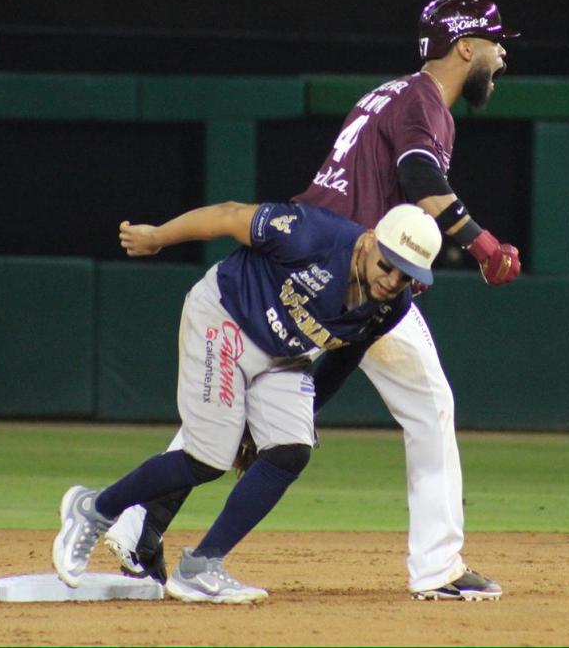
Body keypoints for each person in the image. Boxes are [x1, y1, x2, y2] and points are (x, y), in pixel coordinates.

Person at [104, 0, 522, 602]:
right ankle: (437, 567)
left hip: (308, 261)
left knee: (234, 406)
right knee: (428, 402)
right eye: (494, 41)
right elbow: (423, 182)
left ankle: (136, 521)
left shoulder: (391, 93)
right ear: (464, 47)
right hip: (351, 270)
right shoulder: (424, 102)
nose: (502, 53)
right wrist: (484, 247)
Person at [52, 200, 442, 604]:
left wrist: (296, 420)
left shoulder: (391, 308)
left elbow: (342, 360)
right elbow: (228, 215)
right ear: (369, 241)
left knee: (291, 451)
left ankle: (201, 566)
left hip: (285, 356)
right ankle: (94, 508)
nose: (393, 280)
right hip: (226, 316)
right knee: (207, 459)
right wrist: (156, 237)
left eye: (406, 275)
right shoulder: (313, 234)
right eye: (388, 264)